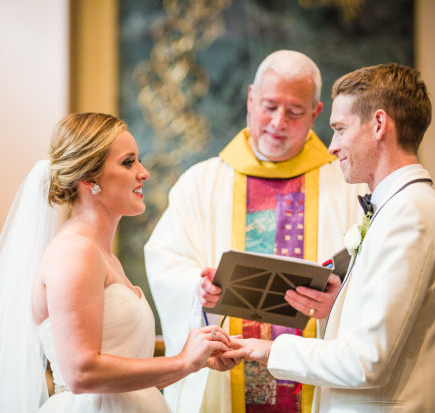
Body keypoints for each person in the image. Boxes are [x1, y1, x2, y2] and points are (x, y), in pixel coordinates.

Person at [0, 112, 235, 413]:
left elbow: (124, 371)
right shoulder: (75, 252)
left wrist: (194, 362)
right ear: (90, 179)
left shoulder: (103, 255)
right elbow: (81, 372)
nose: (144, 173)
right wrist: (182, 360)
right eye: (128, 162)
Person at [223, 63, 435, 412]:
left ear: (380, 125)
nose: (332, 146)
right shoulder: (404, 208)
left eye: (340, 129)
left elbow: (366, 361)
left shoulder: (407, 216)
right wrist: (339, 306)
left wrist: (267, 349)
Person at [144, 50, 368, 413]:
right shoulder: (201, 183)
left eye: (295, 112)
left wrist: (339, 298)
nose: (279, 122)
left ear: (316, 112)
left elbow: (376, 277)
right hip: (225, 378)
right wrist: (197, 288)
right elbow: (167, 261)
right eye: (269, 106)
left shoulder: (347, 185)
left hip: (315, 383)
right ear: (250, 99)